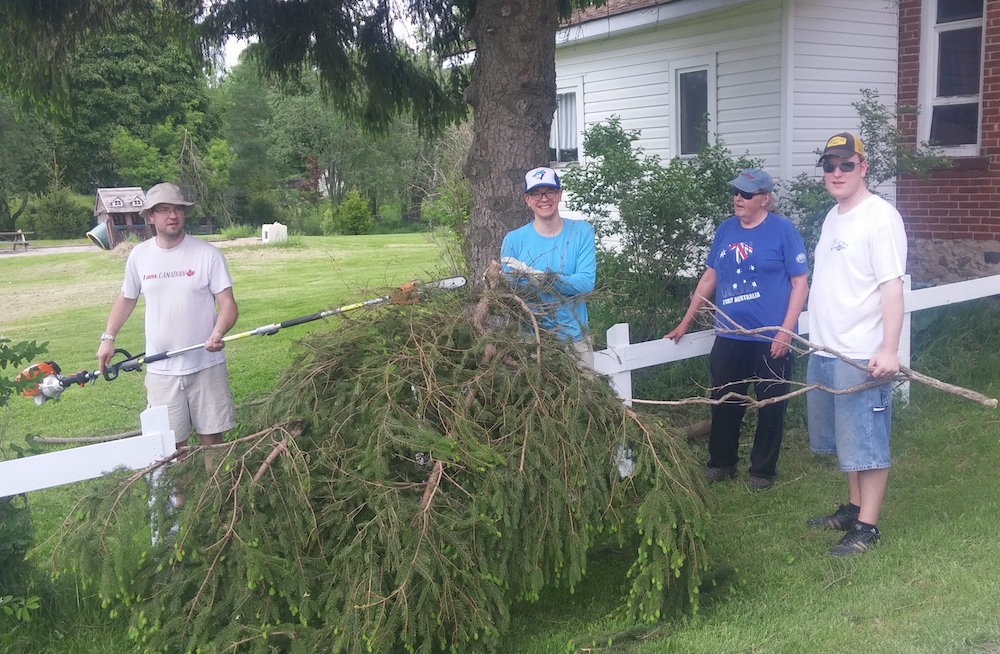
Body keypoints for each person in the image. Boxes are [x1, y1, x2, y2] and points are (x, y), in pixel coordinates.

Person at [665, 169, 808, 490]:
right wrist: (685, 322)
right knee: (724, 400)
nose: (738, 199)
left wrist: (786, 331)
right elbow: (709, 278)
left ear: (765, 199)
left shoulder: (783, 231)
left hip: (770, 336)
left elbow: (800, 284)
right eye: (736, 193)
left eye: (746, 194)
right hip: (729, 334)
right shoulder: (726, 229)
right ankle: (722, 463)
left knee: (771, 403)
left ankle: (762, 470)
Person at [97, 182, 238, 507]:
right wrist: (108, 337)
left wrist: (218, 331)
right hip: (161, 372)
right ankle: (180, 510)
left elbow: (228, 305)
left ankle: (217, 503)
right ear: (151, 217)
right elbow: (126, 298)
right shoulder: (140, 256)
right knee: (172, 446)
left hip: (206, 366)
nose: (171, 215)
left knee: (212, 439)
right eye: (163, 210)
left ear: (184, 213)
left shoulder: (208, 255)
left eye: (177, 209)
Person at [805, 132, 906, 556]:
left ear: (863, 167)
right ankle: (853, 507)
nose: (837, 172)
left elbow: (892, 288)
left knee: (867, 440)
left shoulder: (879, 217)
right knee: (846, 441)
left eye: (847, 164)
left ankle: (867, 528)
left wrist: (888, 349)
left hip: (861, 355)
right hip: (826, 351)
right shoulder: (834, 216)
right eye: (830, 165)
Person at [500, 166, 597, 367]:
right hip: (531, 341)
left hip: (575, 340)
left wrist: (544, 278)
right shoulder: (513, 240)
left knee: (584, 396)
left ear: (559, 195)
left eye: (550, 192)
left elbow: (586, 282)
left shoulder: (581, 232)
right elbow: (511, 291)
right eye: (536, 193)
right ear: (527, 200)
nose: (544, 199)